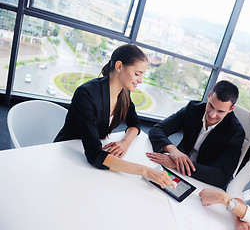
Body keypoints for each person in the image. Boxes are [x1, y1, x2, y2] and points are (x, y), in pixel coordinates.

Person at [54, 44, 174, 189]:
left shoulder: (124, 92)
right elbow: (94, 155)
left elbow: (134, 124)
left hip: (90, 157)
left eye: (142, 75)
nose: (141, 80)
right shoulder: (86, 94)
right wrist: (145, 171)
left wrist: (125, 142)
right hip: (67, 154)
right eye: (137, 74)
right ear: (118, 66)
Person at [146, 80, 245, 189]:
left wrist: (179, 165)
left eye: (220, 111)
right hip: (176, 169)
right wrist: (173, 151)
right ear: (208, 96)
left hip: (203, 180)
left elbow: (221, 176)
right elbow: (158, 129)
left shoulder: (236, 132)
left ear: (231, 109)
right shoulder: (193, 108)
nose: (212, 114)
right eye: (211, 106)